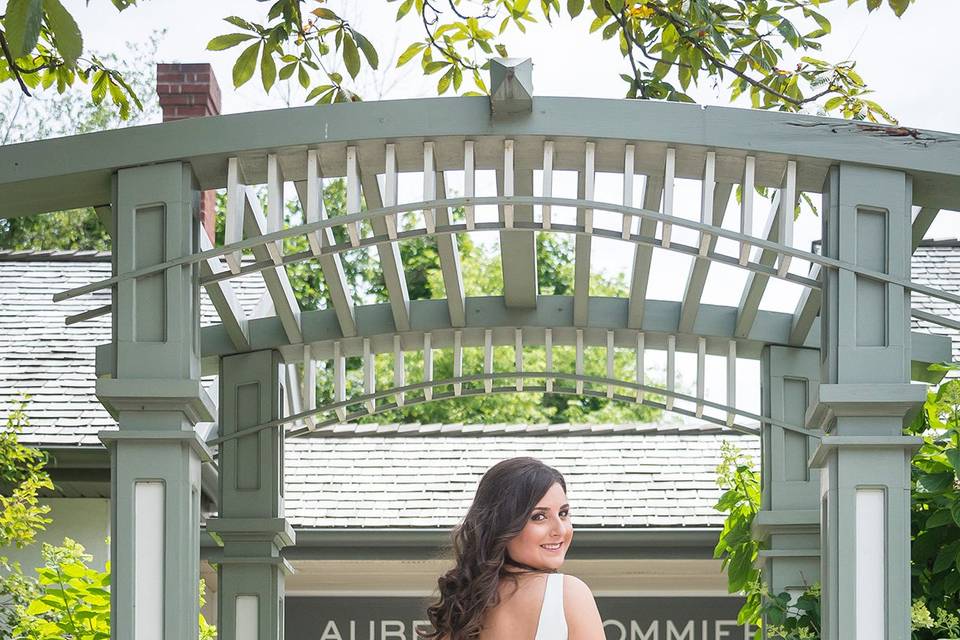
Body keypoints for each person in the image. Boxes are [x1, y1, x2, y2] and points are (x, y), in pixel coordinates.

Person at [420, 457, 606, 639]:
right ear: (502, 524)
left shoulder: (462, 610)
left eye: (563, 513)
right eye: (538, 517)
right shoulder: (568, 594)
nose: (560, 530)